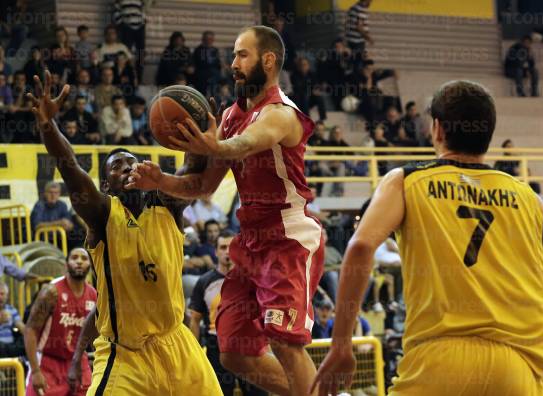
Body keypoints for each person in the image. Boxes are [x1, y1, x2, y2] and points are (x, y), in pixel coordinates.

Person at [312, 80, 543, 396]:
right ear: (488, 135)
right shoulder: (529, 198)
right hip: (517, 370)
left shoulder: (406, 180)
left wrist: (342, 344)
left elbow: (359, 247)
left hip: (437, 363)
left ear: (437, 129)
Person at [127, 25, 325, 396]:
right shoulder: (231, 115)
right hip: (250, 240)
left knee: (284, 342)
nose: (232, 63)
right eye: (233, 55)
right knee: (233, 351)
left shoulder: (281, 113)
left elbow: (248, 144)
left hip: (288, 236)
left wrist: (213, 145)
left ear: (268, 60)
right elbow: (203, 186)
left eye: (241, 55)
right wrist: (159, 181)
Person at [28, 69, 222, 395]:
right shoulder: (103, 214)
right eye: (118, 166)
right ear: (106, 184)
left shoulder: (168, 204)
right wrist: (48, 126)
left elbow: (193, 167)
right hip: (126, 354)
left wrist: (199, 129)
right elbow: (69, 165)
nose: (128, 167)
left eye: (133, 162)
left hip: (177, 344)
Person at [190, 230, 267, 396]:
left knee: (257, 392)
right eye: (223, 247)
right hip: (216, 346)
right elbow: (195, 319)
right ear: (216, 251)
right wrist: (195, 353)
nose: (227, 251)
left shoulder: (253, 278)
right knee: (220, 392)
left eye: (231, 247)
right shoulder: (204, 282)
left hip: (249, 343)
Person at [24, 248, 97, 396]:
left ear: (90, 265)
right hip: (48, 361)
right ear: (66, 265)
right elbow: (30, 329)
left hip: (78, 361)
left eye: (84, 258)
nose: (79, 261)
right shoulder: (51, 292)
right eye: (74, 258)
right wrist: (36, 371)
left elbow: (97, 334)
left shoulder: (93, 295)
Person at [345, 0, 373, 71]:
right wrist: (368, 38)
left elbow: (346, 23)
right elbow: (359, 27)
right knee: (357, 64)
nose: (371, 2)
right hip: (357, 41)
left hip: (350, 39)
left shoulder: (353, 8)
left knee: (352, 62)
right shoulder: (360, 9)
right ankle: (355, 79)